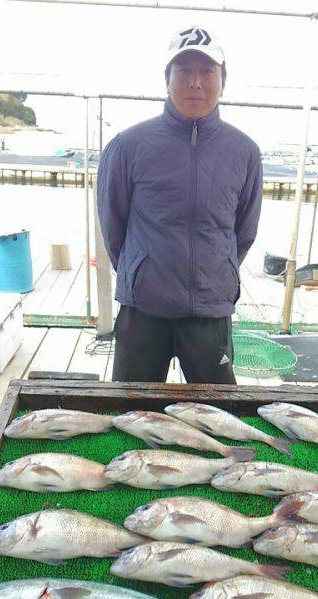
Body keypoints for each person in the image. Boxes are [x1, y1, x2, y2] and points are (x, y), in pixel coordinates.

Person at [97, 25, 263, 383]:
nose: (195, 82)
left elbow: (243, 233)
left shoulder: (244, 152)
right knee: (131, 417)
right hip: (143, 311)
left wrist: (215, 272)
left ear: (224, 80)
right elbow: (114, 228)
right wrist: (142, 272)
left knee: (218, 417)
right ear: (166, 78)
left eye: (207, 71)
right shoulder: (127, 146)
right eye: (184, 69)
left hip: (210, 312)